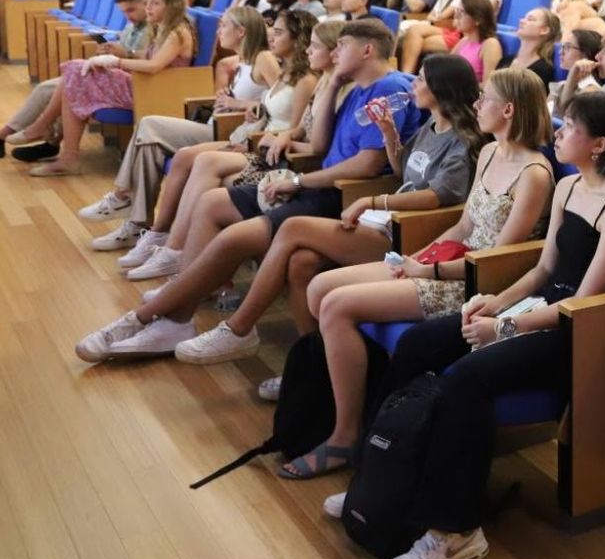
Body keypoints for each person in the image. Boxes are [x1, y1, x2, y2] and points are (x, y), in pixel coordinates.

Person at [324, 91, 605, 559]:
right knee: (417, 345)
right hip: (531, 309)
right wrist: (494, 302)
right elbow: (542, 270)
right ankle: (379, 477)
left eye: (570, 127)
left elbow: (580, 302)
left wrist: (504, 327)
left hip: (571, 334)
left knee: (464, 378)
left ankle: (456, 531)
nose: (558, 133)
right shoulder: (569, 187)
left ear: (599, 143)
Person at [74, 21, 422, 359]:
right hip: (318, 184)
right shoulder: (355, 86)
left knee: (233, 238)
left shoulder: (388, 88)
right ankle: (176, 315)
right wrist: (331, 86)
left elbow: (365, 166)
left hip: (337, 196)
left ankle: (153, 318)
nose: (334, 53)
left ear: (367, 49)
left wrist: (298, 181)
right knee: (214, 203)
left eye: (342, 46)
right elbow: (321, 144)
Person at [277, 66, 556, 476]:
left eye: (485, 99)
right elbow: (463, 225)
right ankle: (350, 401)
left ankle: (345, 436)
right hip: (446, 263)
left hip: (473, 283)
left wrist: (427, 271)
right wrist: (422, 256)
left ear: (509, 109)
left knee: (335, 305)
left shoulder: (534, 174)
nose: (477, 105)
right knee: (318, 286)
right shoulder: (491, 153)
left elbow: (499, 257)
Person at [180, 54, 516, 373]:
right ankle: (312, 367)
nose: (413, 85)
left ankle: (240, 328)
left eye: (422, 80)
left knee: (294, 227)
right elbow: (402, 170)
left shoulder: (460, 140)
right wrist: (389, 134)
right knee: (301, 263)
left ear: (440, 89)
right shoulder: (431, 127)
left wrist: (374, 202)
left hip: (407, 230)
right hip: (385, 218)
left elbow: (438, 196)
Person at [80, 9, 308, 254]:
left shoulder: (265, 59)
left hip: (232, 131)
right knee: (150, 145)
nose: (218, 31)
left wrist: (240, 106)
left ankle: (124, 197)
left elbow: (279, 101)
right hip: (222, 125)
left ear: (241, 32)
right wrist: (228, 100)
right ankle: (139, 224)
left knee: (149, 124)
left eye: (224, 26)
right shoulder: (240, 61)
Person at [23, 0, 196, 178]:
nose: (148, 8)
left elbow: (155, 65)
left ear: (171, 6)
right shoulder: (164, 28)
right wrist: (122, 54)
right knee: (76, 71)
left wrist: (118, 62)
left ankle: (52, 141)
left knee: (76, 73)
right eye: (147, 3)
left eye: (155, 3)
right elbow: (148, 56)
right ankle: (61, 151)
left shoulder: (178, 33)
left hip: (154, 90)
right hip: (145, 83)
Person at [2, 0, 149, 161]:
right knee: (47, 88)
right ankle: (41, 139)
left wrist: (123, 54)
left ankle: (45, 140)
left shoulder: (155, 28)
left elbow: (148, 59)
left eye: (131, 10)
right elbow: (124, 51)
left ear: (146, 3)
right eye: (124, 12)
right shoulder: (132, 26)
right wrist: (108, 51)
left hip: (132, 82)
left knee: (68, 85)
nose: (128, 16)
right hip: (114, 73)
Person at [396, 0, 469, 72]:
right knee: (410, 41)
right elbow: (431, 16)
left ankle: (406, 73)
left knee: (413, 33)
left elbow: (442, 17)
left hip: (451, 31)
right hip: (436, 27)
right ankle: (406, 72)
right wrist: (435, 17)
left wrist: (435, 17)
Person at [500, 6, 559, 89]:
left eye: (530, 19)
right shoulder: (507, 59)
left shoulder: (542, 70)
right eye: (524, 18)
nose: (521, 21)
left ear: (544, 30)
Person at [448, 0, 503, 81]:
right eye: (457, 11)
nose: (456, 16)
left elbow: (488, 85)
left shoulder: (490, 44)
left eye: (462, 12)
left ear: (478, 19)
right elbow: (445, 67)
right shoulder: (464, 41)